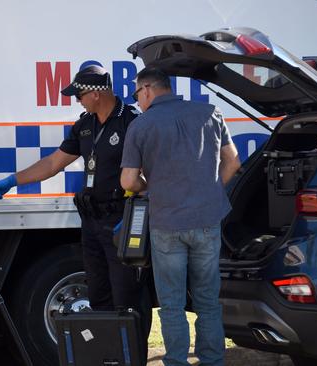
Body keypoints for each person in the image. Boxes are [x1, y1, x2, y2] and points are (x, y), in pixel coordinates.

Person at [0, 65, 152, 362]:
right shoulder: (84, 124)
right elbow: (53, 163)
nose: (77, 100)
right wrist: (12, 181)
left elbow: (152, 175)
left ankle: (132, 358)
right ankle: (107, 357)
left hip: (120, 221)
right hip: (91, 222)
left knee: (127, 298)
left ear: (96, 94)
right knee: (98, 296)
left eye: (80, 95)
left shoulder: (132, 122)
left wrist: (136, 212)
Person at [120, 68, 241, 366]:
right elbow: (233, 163)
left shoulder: (141, 125)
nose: (137, 101)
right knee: (208, 302)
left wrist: (149, 188)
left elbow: (128, 182)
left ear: (147, 89)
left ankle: (176, 362)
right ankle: (212, 361)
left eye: (137, 95)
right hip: (206, 221)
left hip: (167, 224)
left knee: (172, 305)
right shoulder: (211, 113)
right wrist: (209, 191)